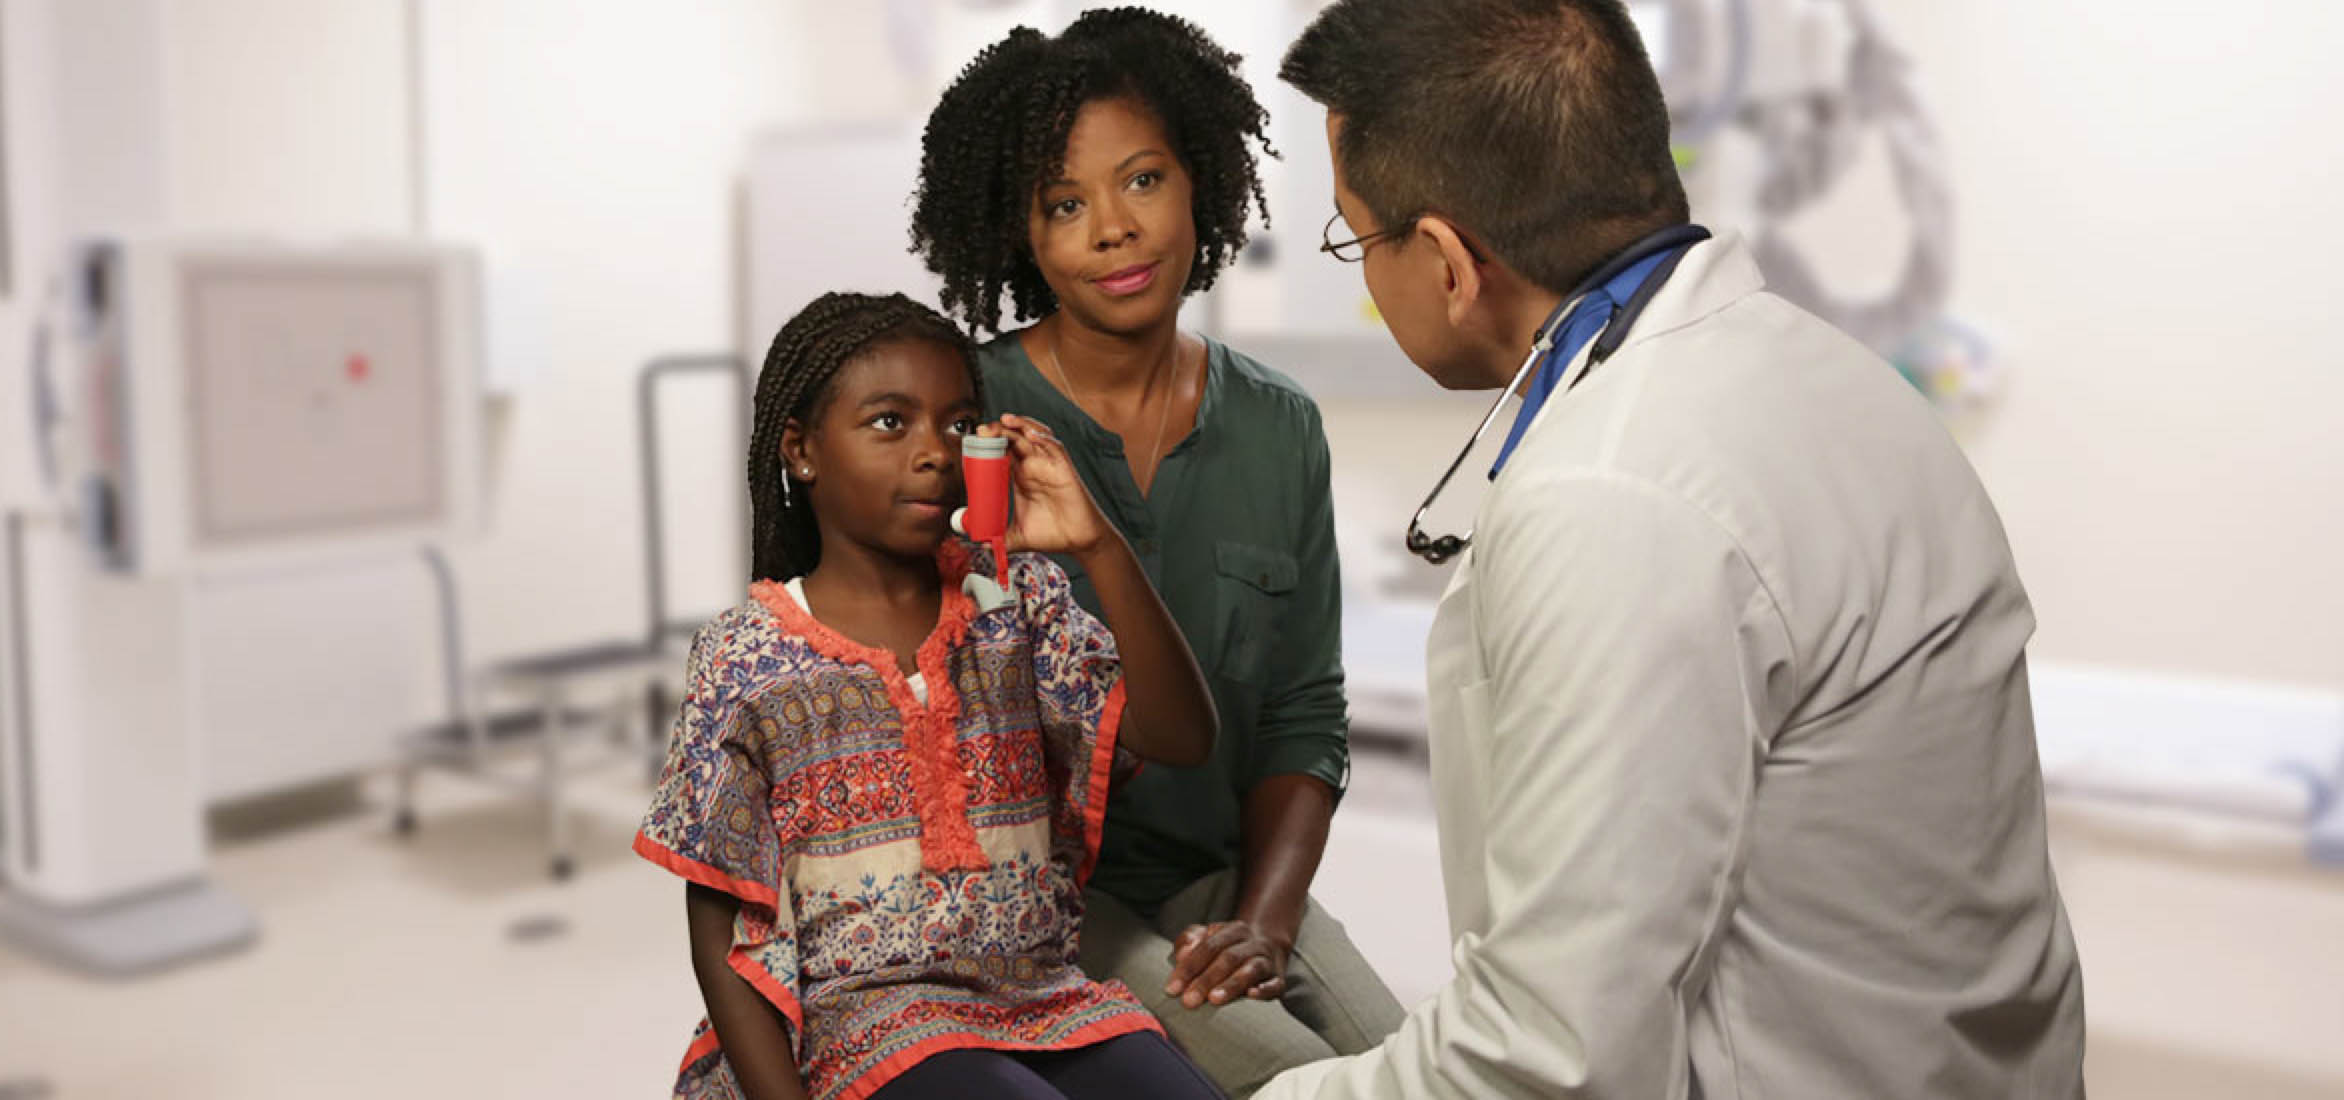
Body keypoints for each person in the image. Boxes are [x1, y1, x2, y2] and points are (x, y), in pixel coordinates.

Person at [1256, 1, 2088, 1097]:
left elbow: (1546, 1059)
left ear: (1450, 262)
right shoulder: (1834, 380)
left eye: (1357, 237)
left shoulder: (1612, 496)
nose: (1364, 266)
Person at [908, 9, 1406, 1096]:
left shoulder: (1279, 425)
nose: (1112, 230)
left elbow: (1305, 710)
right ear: (1020, 233)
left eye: (1142, 180)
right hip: (1049, 898)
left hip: (1225, 875)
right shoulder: (969, 419)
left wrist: (1265, 921)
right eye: (1064, 204)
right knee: (1298, 1082)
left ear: (1201, 181)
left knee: (1431, 1073)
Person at [633, 291, 1229, 1100]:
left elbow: (1183, 737)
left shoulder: (1020, 602)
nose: (935, 454)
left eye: (957, 426)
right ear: (801, 451)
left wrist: (1099, 544)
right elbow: (719, 933)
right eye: (890, 422)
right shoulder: (745, 658)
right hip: (857, 1025)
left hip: (1043, 999)